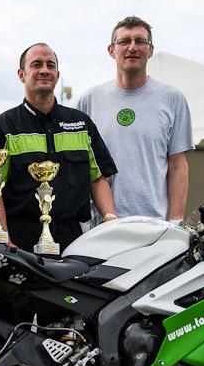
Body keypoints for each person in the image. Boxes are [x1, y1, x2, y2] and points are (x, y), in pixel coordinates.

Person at [0, 43, 118, 252]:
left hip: (74, 237)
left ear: (57, 74)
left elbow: (98, 178)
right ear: (21, 74)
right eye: (36, 64)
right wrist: (4, 239)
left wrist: (110, 219)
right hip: (21, 239)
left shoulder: (81, 123)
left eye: (50, 65)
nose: (45, 70)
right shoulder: (4, 127)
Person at [76, 16, 194, 222]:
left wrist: (176, 220)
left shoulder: (172, 98)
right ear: (111, 50)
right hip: (100, 226)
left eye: (140, 41)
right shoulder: (89, 101)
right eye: (124, 41)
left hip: (152, 225)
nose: (132, 47)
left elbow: (177, 166)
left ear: (151, 50)